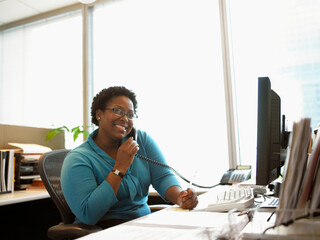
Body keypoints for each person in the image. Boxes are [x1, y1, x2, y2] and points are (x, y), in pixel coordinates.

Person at [61, 86, 198, 228]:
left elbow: (162, 177)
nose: (125, 118)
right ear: (99, 114)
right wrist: (120, 167)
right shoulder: (78, 159)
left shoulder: (141, 140)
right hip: (105, 231)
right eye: (117, 111)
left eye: (130, 114)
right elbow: (88, 214)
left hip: (143, 226)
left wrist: (179, 197)